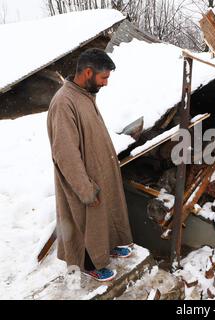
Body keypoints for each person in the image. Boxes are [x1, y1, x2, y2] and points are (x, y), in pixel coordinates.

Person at [47, 48, 133, 282]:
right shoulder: (64, 103)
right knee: (84, 219)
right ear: (87, 72)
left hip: (98, 172)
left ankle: (106, 248)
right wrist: (84, 188)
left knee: (103, 215)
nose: (105, 84)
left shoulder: (84, 95)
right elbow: (65, 153)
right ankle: (89, 264)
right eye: (103, 78)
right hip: (82, 180)